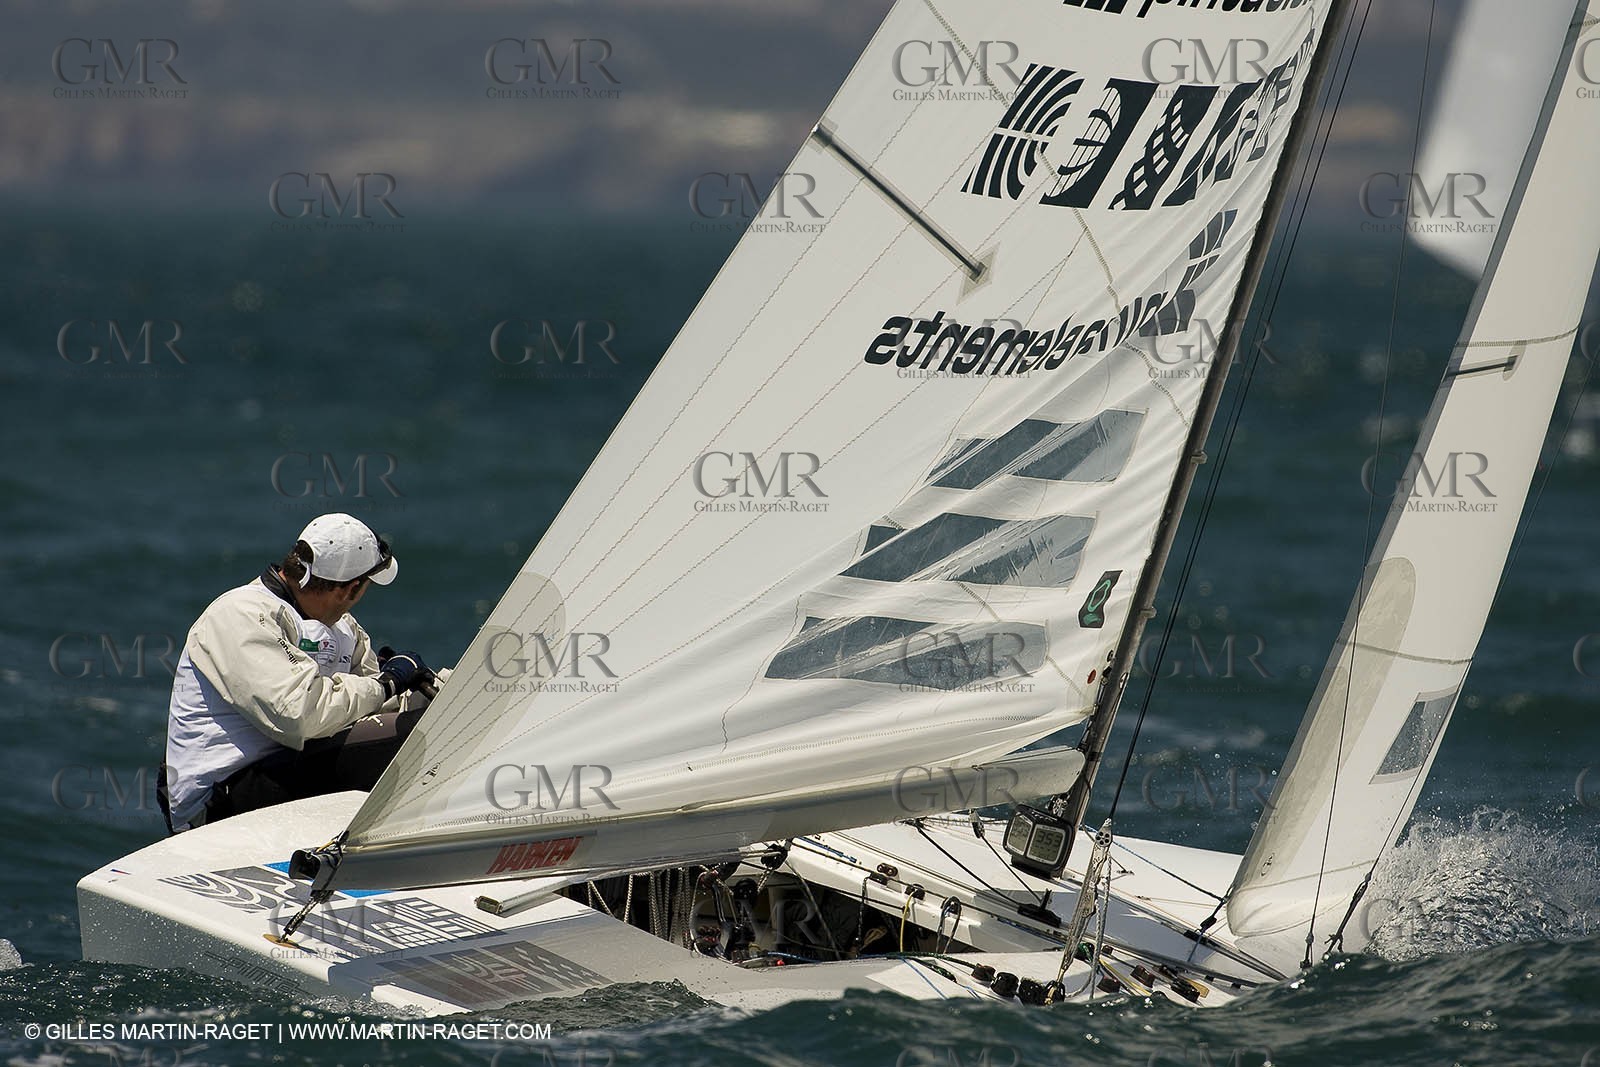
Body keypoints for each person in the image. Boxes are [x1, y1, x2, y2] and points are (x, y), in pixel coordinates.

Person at [160, 513, 442, 833]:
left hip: (286, 772)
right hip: (215, 807)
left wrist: (436, 688)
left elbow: (375, 705)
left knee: (429, 717)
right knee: (409, 735)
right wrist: (388, 682)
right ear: (350, 589)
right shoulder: (240, 614)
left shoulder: (345, 630)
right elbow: (300, 714)